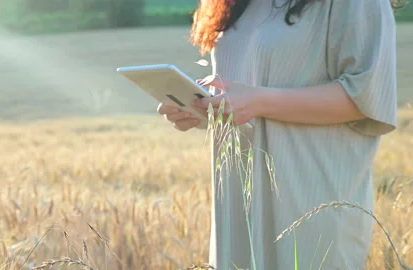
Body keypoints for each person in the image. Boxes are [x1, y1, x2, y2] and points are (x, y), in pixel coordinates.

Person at [157, 0, 400, 269]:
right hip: (238, 206)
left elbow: (366, 98)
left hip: (307, 206)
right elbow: (247, 88)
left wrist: (259, 102)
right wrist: (206, 110)